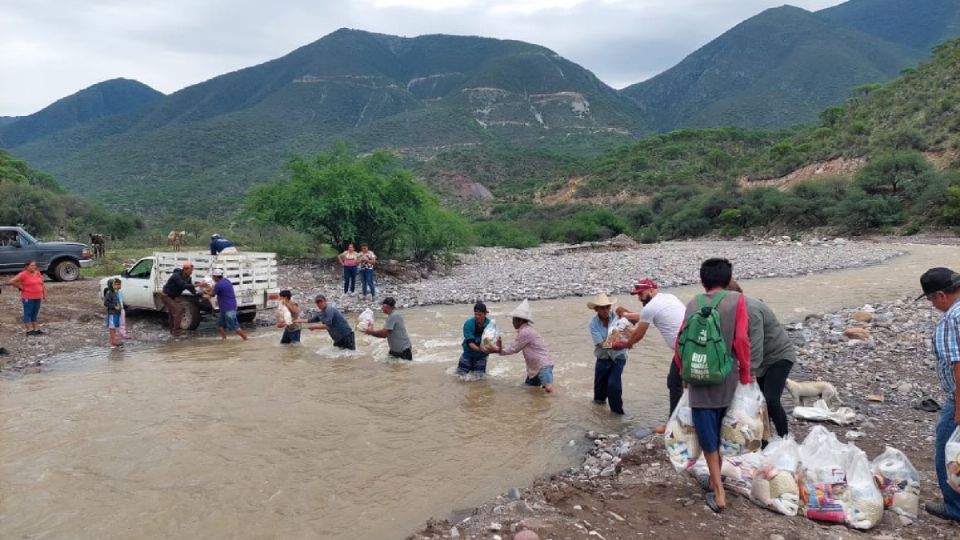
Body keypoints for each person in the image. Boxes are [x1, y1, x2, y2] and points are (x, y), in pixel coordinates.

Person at [674, 258, 751, 513]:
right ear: (729, 280)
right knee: (725, 429)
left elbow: (681, 341)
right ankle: (720, 484)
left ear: (702, 280)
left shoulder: (693, 302)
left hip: (698, 375)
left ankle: (718, 491)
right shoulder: (737, 301)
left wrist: (684, 372)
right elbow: (741, 340)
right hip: (726, 375)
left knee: (707, 436)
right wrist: (746, 373)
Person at [726, 279, 794, 443]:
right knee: (760, 402)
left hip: (778, 356)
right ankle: (764, 439)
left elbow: (755, 343)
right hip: (763, 360)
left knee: (771, 399)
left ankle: (784, 439)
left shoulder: (751, 309)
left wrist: (750, 372)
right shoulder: (733, 310)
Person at [614, 278, 686, 426]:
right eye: (637, 295)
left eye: (641, 294)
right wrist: (627, 316)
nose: (639, 297)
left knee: (675, 383)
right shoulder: (669, 297)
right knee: (681, 383)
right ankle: (681, 420)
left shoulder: (651, 307)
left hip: (684, 350)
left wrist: (625, 344)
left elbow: (638, 334)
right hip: (690, 345)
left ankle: (675, 424)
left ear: (652, 290)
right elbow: (645, 316)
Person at [919, 267, 960, 522]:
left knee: (948, 450)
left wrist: (959, 407)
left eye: (930, 299)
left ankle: (955, 508)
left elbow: (958, 365)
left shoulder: (950, 320)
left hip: (958, 396)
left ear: (941, 295)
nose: (932, 304)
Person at [492, 299, 555, 393]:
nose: (512, 322)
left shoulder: (525, 332)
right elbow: (514, 347)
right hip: (535, 368)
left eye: (514, 319)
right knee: (530, 390)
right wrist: (499, 349)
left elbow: (514, 349)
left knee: (549, 389)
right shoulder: (527, 330)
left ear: (520, 320)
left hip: (542, 366)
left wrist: (498, 350)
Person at [588, 293, 628, 414]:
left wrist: (625, 311)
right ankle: (599, 414)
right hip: (603, 358)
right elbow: (603, 345)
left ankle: (617, 413)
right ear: (596, 309)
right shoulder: (593, 324)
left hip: (618, 357)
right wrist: (626, 343)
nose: (605, 310)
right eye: (602, 308)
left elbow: (636, 320)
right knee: (599, 395)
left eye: (607, 307)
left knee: (613, 385)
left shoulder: (617, 316)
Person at [204, 268, 248, 341]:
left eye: (213, 276)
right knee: (219, 325)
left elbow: (212, 294)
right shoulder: (227, 281)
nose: (212, 278)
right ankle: (224, 340)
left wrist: (205, 291)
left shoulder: (219, 285)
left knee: (235, 327)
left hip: (228, 309)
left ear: (216, 277)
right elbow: (215, 289)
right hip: (225, 308)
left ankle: (246, 339)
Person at [8, 260, 46, 336]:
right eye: (32, 265)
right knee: (28, 313)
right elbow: (11, 281)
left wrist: (44, 294)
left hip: (38, 296)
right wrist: (20, 286)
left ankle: (36, 329)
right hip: (28, 297)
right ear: (27, 266)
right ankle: (29, 330)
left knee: (35, 313)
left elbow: (42, 284)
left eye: (35, 265)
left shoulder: (38, 273)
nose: (34, 267)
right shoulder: (23, 274)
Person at [160, 261, 198, 337]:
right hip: (166, 296)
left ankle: (172, 331)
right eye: (190, 271)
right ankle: (176, 332)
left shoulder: (188, 278)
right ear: (185, 269)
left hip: (173, 297)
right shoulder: (176, 276)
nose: (191, 272)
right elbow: (183, 285)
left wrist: (200, 294)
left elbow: (191, 289)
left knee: (172, 314)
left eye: (192, 271)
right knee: (178, 311)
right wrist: (198, 284)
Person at [457, 302, 492, 376]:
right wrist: (480, 349)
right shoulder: (468, 324)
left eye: (479, 314)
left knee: (479, 379)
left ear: (485, 314)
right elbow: (470, 343)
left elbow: (489, 341)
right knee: (460, 376)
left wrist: (488, 348)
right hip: (468, 353)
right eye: (475, 314)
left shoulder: (490, 325)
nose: (477, 316)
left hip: (482, 356)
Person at [103, 278, 124, 348]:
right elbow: (106, 303)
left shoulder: (116, 292)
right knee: (112, 328)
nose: (117, 286)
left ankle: (114, 341)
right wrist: (114, 306)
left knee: (114, 328)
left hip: (116, 313)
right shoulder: (109, 293)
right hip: (112, 313)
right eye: (115, 284)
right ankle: (112, 343)